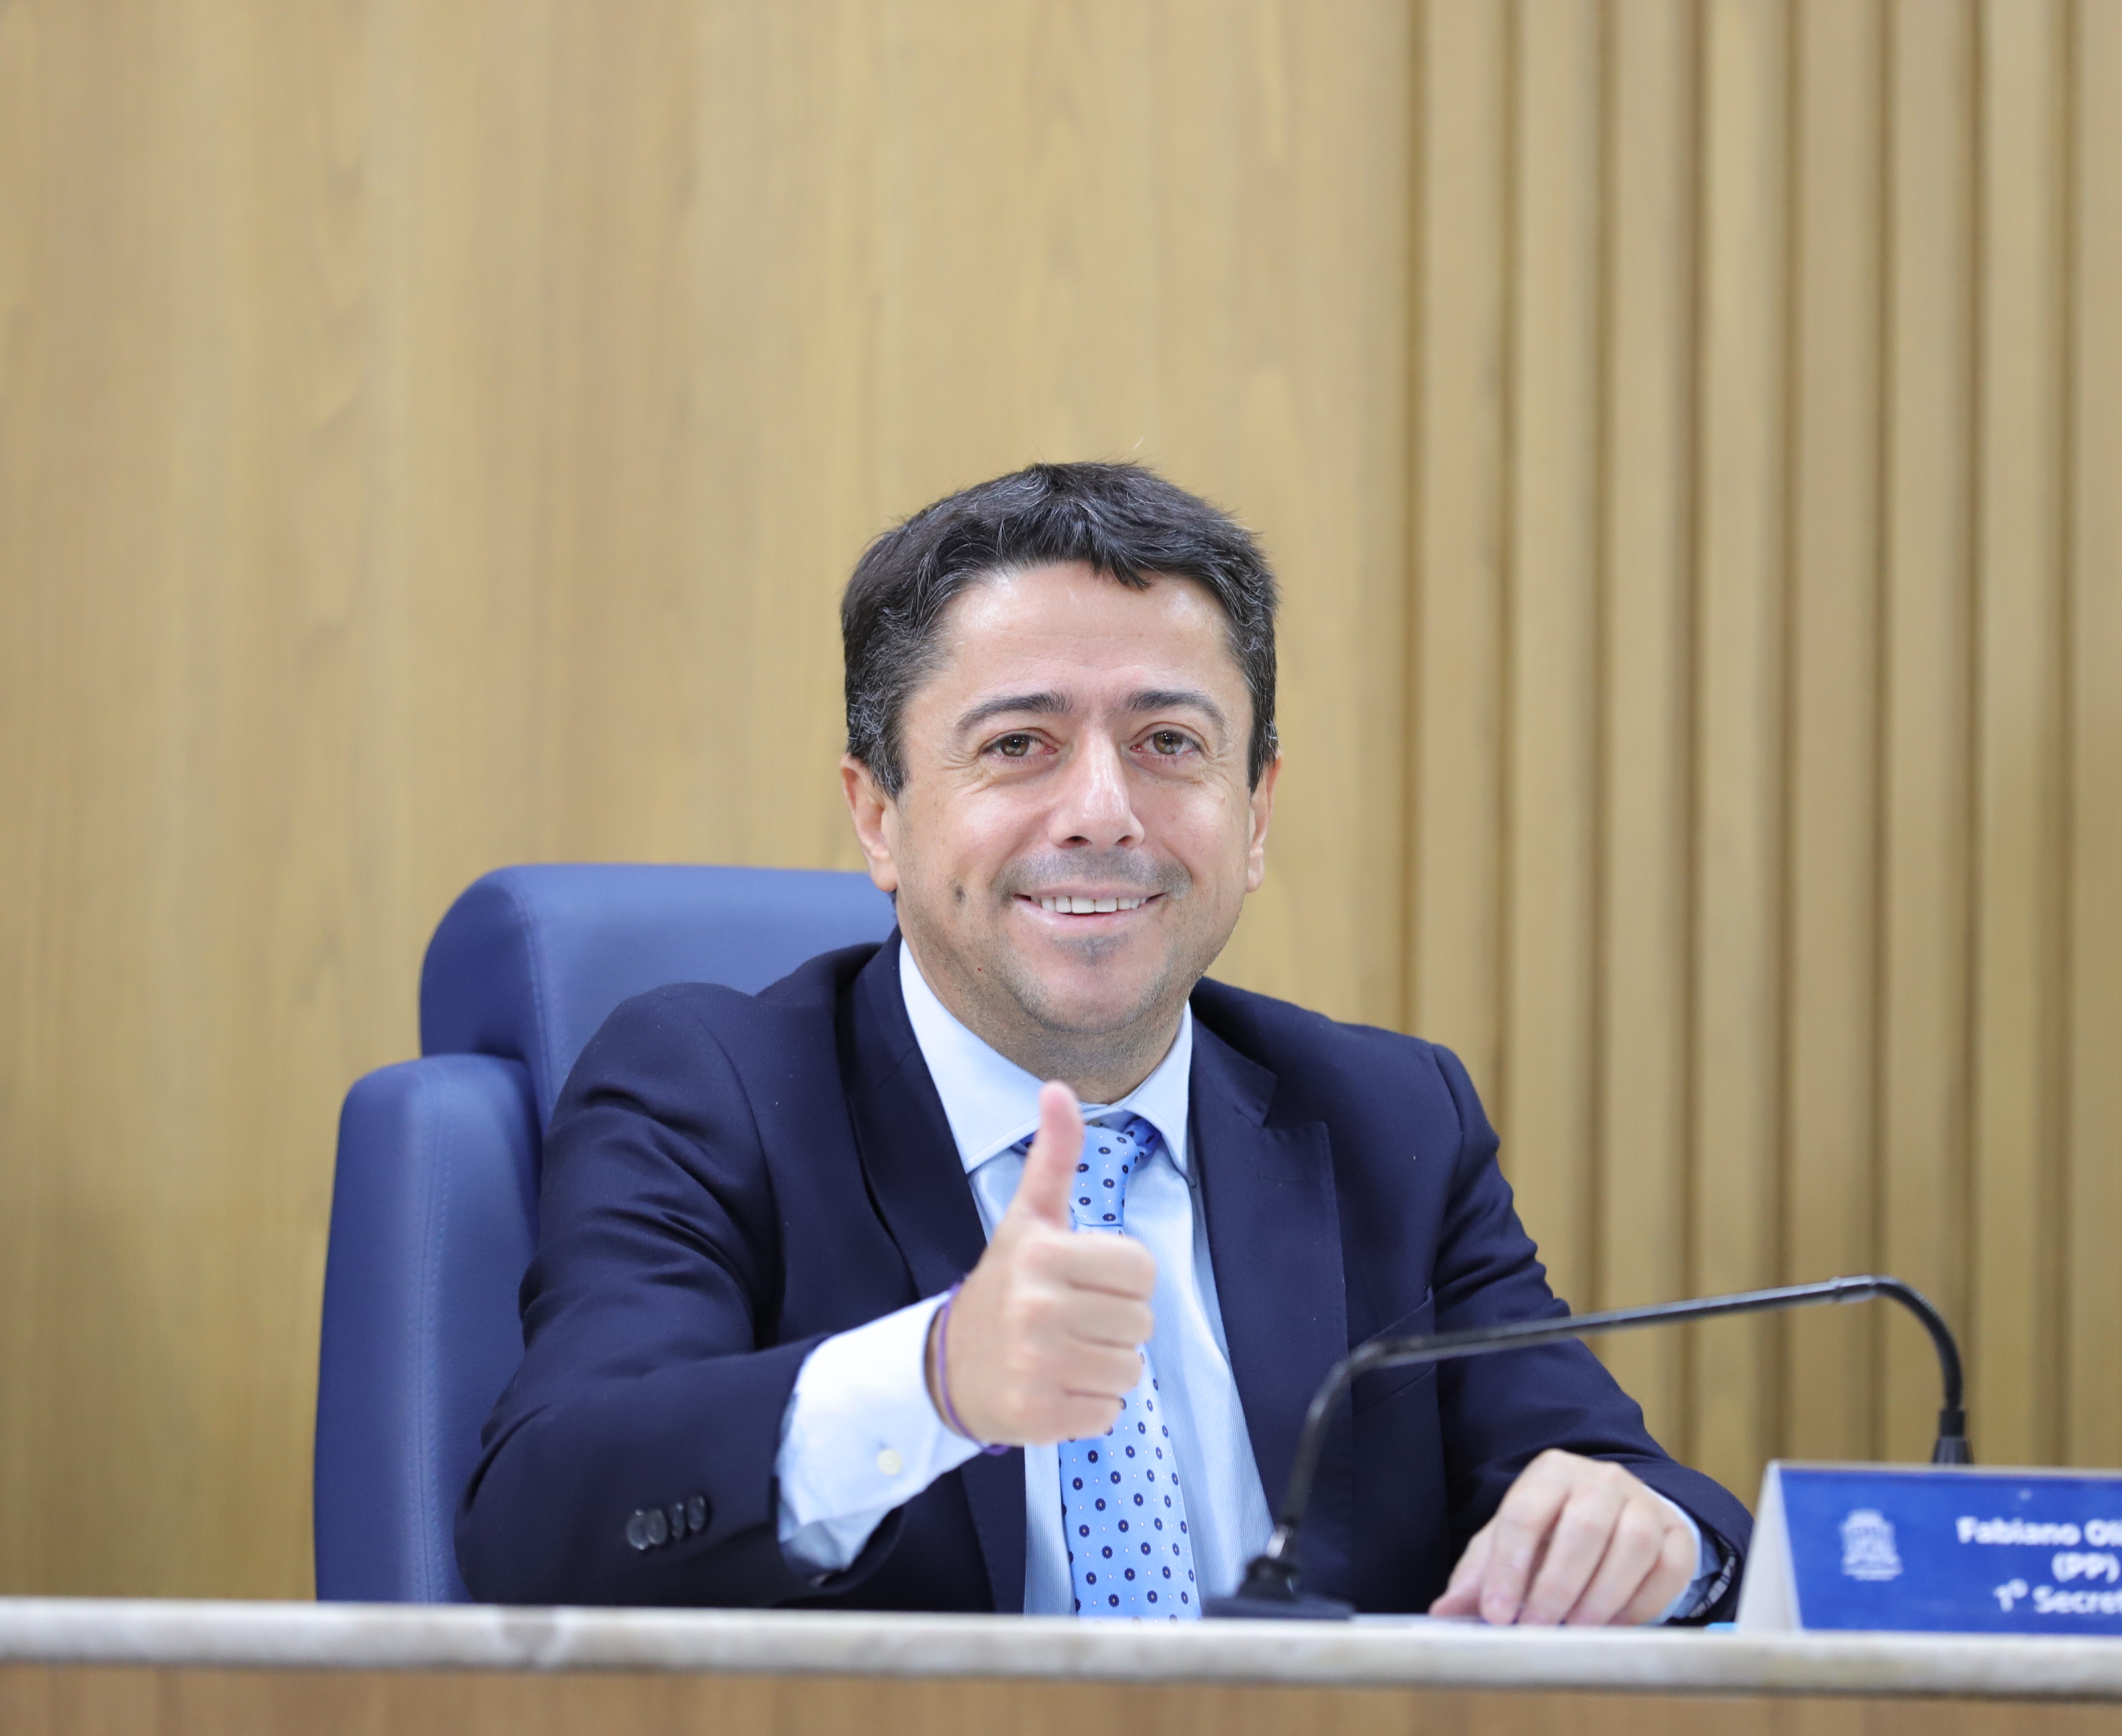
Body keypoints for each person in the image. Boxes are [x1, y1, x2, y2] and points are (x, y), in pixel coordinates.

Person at [455, 462, 1752, 1622]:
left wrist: (1653, 1541)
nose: (1102, 812)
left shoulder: (1389, 1117)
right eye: (1018, 745)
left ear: (1255, 813)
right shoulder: (713, 1090)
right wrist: (931, 1382)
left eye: (1168, 743)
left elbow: (1635, 1493)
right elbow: (542, 1521)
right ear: (878, 815)